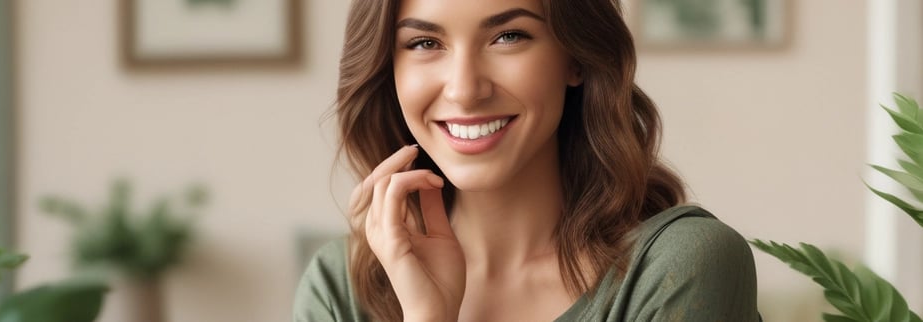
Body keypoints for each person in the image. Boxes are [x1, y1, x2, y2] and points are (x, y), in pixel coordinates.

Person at [294, 0, 761, 321]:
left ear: (575, 58)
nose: (465, 89)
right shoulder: (339, 287)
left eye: (508, 36)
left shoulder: (681, 266)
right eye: (425, 43)